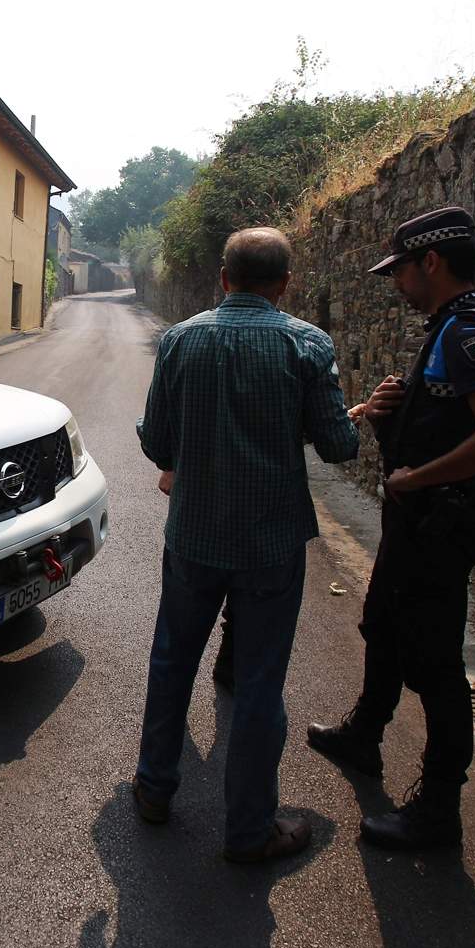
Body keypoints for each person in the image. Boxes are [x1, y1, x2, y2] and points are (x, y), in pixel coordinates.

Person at [307, 206, 475, 850]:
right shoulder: (446, 329)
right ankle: (364, 735)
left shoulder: (469, 333)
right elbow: (447, 418)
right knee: (381, 622)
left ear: (429, 262)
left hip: (441, 519)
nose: (396, 282)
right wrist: (388, 414)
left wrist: (418, 477)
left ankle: (437, 813)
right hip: (421, 519)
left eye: (400, 270)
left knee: (435, 665)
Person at [134, 227, 358, 863]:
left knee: (173, 659)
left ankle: (154, 789)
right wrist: (352, 418)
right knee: (260, 683)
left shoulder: (179, 341)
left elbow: (157, 444)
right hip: (270, 543)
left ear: (223, 279)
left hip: (194, 538)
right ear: (285, 284)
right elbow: (339, 445)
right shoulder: (306, 344)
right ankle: (250, 829)